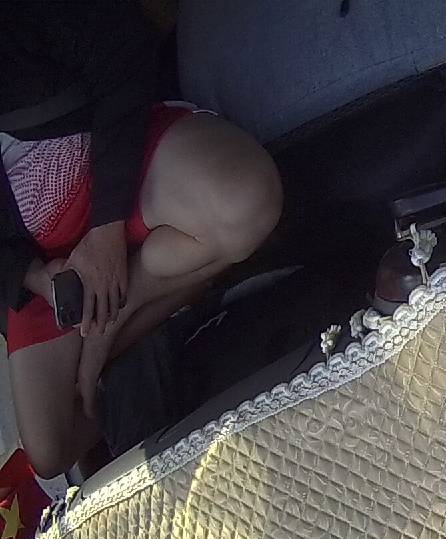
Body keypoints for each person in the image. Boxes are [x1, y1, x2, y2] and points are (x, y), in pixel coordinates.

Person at [1, 3, 282, 478]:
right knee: (49, 451)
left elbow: (122, 47)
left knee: (247, 200)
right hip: (47, 260)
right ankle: (148, 310)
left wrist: (106, 230)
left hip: (123, 166)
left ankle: (118, 318)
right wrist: (35, 278)